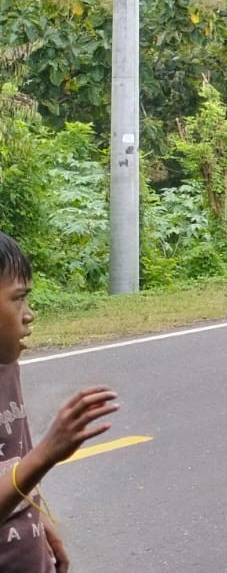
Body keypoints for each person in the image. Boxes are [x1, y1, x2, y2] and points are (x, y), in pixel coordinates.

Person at [0, 231, 120, 572]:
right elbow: (28, 463)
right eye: (18, 299)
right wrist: (46, 453)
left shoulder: (7, 368)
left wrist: (36, 517)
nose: (29, 314)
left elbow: (11, 466)